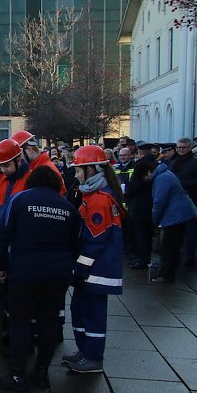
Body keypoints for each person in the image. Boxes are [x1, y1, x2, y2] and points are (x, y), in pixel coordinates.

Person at [0, 167, 81, 390]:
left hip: (25, 271)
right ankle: (41, 374)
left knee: (19, 321)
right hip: (58, 274)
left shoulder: (20, 200)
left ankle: (17, 375)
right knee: (48, 323)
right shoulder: (68, 207)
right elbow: (76, 244)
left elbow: (1, 235)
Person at [64, 145, 125, 373]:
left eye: (79, 170)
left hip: (97, 271)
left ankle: (93, 358)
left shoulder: (99, 200)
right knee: (79, 309)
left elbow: (94, 242)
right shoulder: (93, 195)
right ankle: (85, 351)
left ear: (91, 170)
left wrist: (79, 269)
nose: (76, 175)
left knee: (92, 314)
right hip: (93, 270)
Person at [141, 159, 197, 283]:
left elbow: (159, 202)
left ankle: (166, 275)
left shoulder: (162, 179)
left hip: (174, 218)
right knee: (172, 247)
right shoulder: (166, 173)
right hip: (178, 215)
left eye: (144, 176)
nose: (144, 180)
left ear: (149, 172)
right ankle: (167, 273)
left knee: (169, 247)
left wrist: (154, 220)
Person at [169, 137, 197, 266]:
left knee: (191, 231)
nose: (181, 150)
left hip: (189, 200)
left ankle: (189, 258)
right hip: (174, 202)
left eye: (184, 147)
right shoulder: (174, 162)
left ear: (189, 148)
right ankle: (177, 255)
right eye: (179, 148)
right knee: (176, 232)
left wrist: (181, 184)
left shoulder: (196, 162)